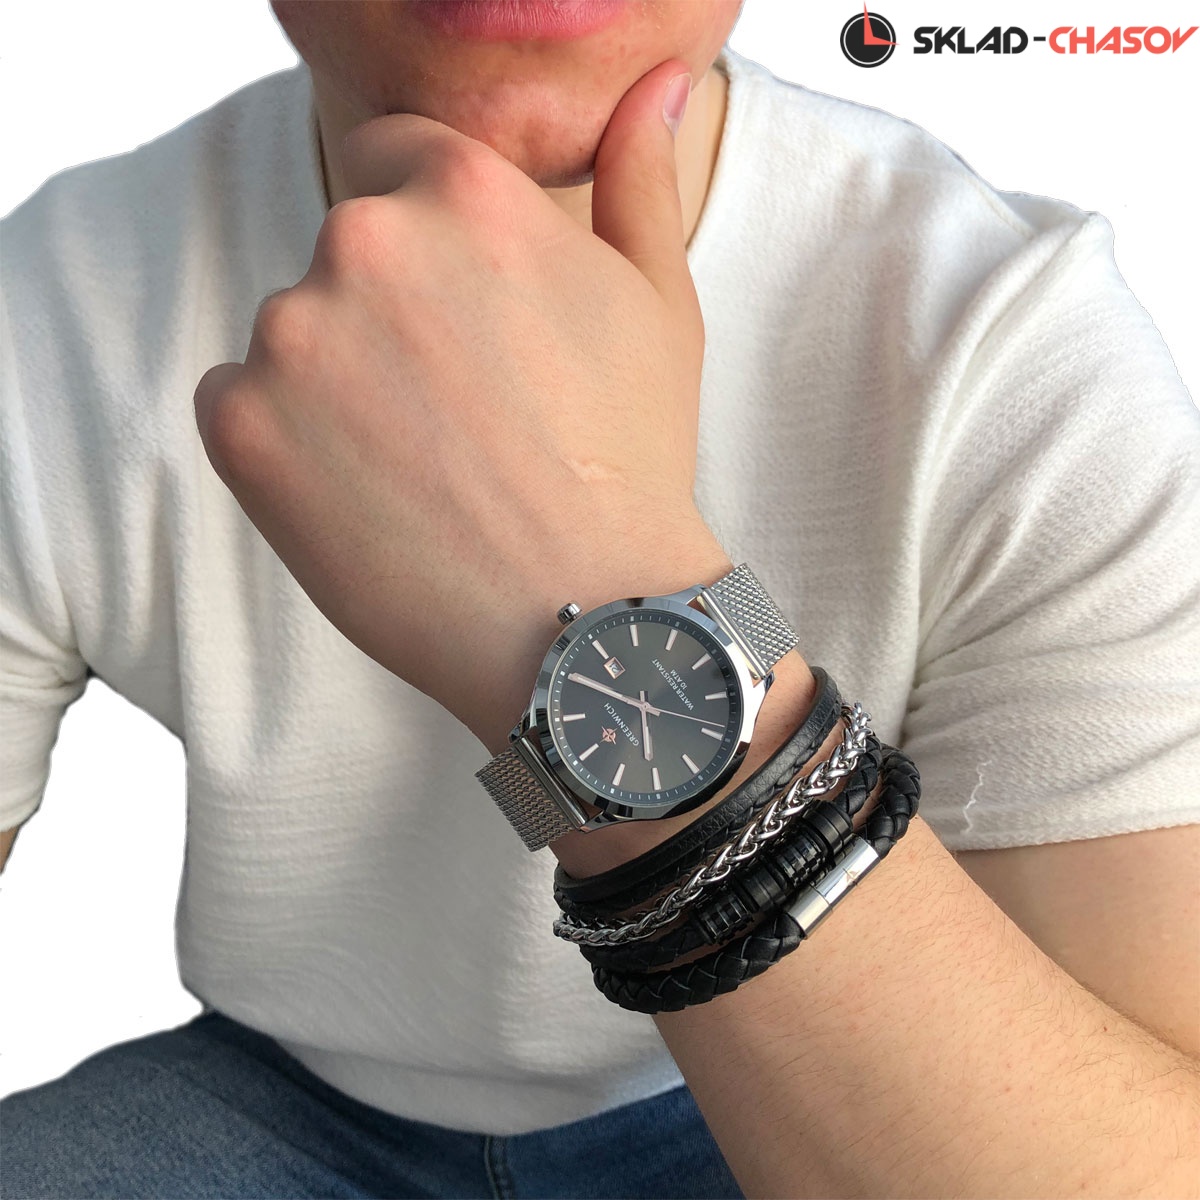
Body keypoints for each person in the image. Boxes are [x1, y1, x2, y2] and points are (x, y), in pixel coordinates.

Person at [2, 1, 1198, 1196]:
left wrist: (589, 567)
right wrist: (643, 680)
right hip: (264, 1102)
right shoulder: (51, 301)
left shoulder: (1009, 337)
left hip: (810, 1094)